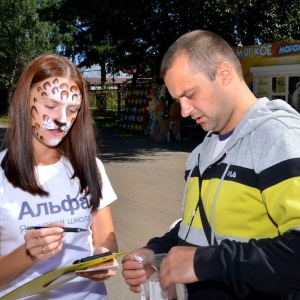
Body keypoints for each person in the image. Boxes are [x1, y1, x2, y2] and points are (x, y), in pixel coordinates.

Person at [122, 30, 300, 299]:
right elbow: (197, 231)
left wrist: (203, 263)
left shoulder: (280, 137)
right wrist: (156, 252)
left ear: (225, 74)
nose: (183, 111)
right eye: (177, 99)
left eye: (190, 94)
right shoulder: (200, 154)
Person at [0, 53, 118, 299]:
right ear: (25, 101)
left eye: (72, 109)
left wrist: (103, 259)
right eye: (51, 106)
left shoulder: (89, 167)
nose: (62, 120)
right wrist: (28, 254)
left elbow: (107, 239)